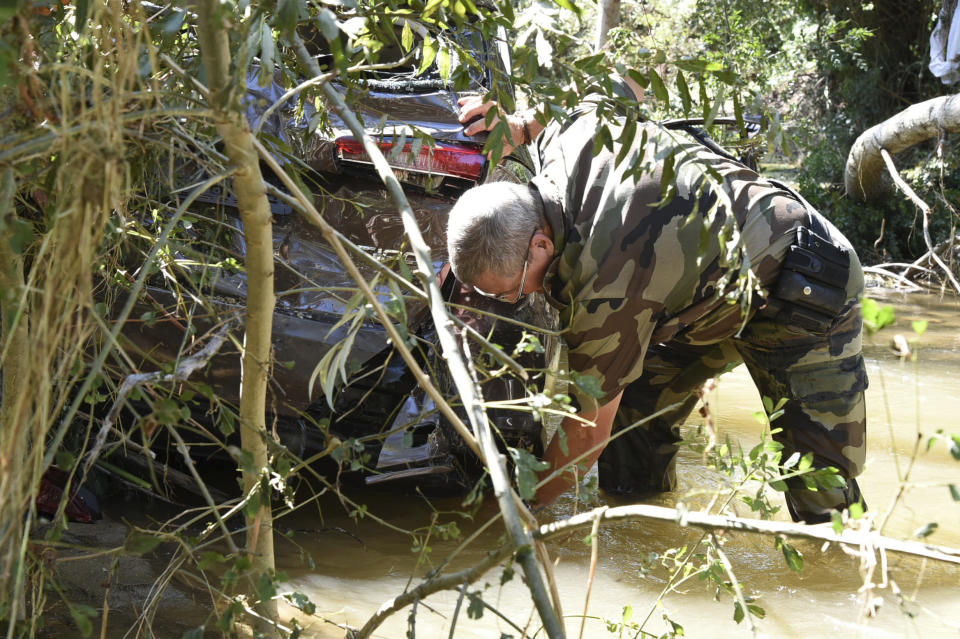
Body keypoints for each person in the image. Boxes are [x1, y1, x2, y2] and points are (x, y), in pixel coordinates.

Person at [447, 92, 868, 523]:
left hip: (804, 286)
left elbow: (585, 432)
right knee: (634, 417)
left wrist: (521, 513)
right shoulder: (566, 136)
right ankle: (643, 517)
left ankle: (848, 571)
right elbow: (616, 88)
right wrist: (516, 125)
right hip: (705, 300)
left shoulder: (601, 285)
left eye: (512, 289)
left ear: (541, 244)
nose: (518, 299)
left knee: (822, 492)